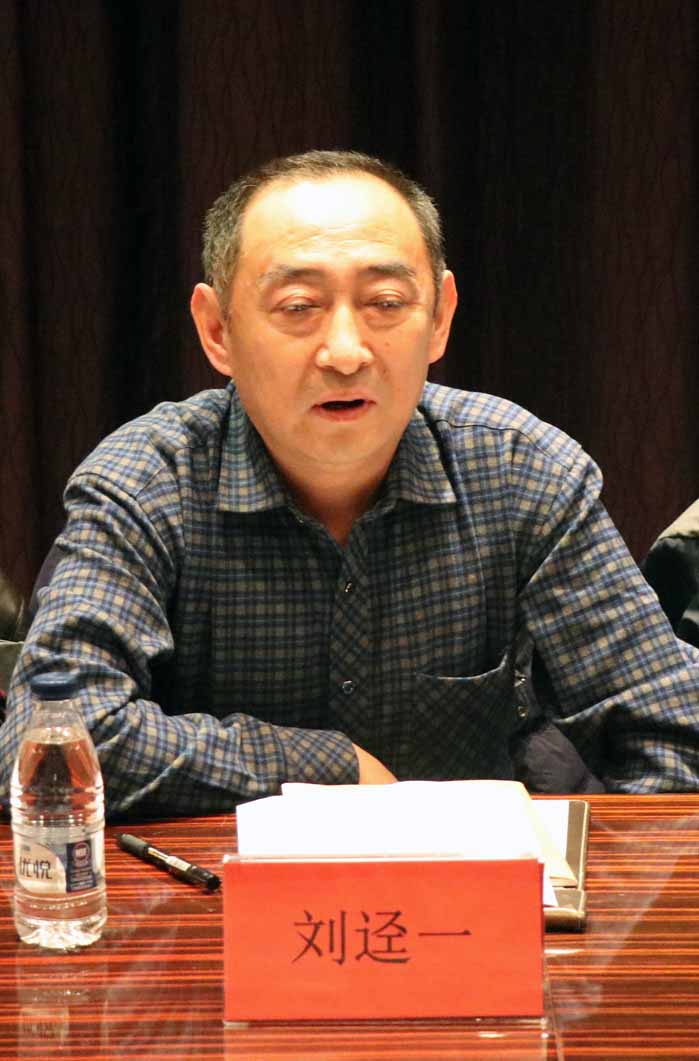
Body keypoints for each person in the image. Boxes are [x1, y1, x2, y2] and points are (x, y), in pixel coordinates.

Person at [2, 150, 698, 818]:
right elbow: (46, 746)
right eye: (298, 306)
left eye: (386, 302)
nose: (344, 352)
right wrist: (325, 766)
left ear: (440, 318)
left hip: (465, 890)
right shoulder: (148, 483)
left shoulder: (522, 472)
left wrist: (614, 886)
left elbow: (674, 738)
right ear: (217, 330)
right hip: (209, 892)